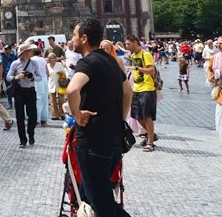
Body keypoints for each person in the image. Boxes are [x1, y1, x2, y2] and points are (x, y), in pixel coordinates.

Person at [66, 18, 132, 217]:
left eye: (75, 35)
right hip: (114, 140)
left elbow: (72, 89)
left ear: (84, 38)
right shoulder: (111, 60)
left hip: (94, 142)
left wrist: (77, 114)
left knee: (102, 206)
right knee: (102, 199)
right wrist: (120, 119)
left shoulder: (87, 63)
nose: (72, 39)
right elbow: (128, 90)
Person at [125, 35, 157, 152]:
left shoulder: (146, 54)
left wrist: (137, 68)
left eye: (128, 44)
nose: (126, 46)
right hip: (136, 88)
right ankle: (151, 134)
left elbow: (151, 71)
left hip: (147, 88)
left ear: (135, 42)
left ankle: (150, 142)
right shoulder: (133, 55)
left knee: (147, 116)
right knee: (137, 116)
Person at [7, 41, 40, 148]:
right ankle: (23, 140)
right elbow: (8, 76)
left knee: (33, 116)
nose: (32, 52)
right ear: (25, 52)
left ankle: (31, 133)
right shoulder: (15, 63)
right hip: (19, 92)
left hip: (30, 91)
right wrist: (17, 77)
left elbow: (40, 77)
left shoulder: (34, 63)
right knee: (19, 117)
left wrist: (32, 77)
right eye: (30, 50)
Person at [47, 53, 67, 120]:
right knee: (52, 101)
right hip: (51, 84)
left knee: (61, 100)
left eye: (53, 58)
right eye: (50, 58)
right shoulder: (47, 65)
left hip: (60, 84)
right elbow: (46, 74)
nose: (51, 59)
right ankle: (55, 115)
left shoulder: (59, 64)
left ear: (56, 59)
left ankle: (62, 114)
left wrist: (60, 74)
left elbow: (64, 73)